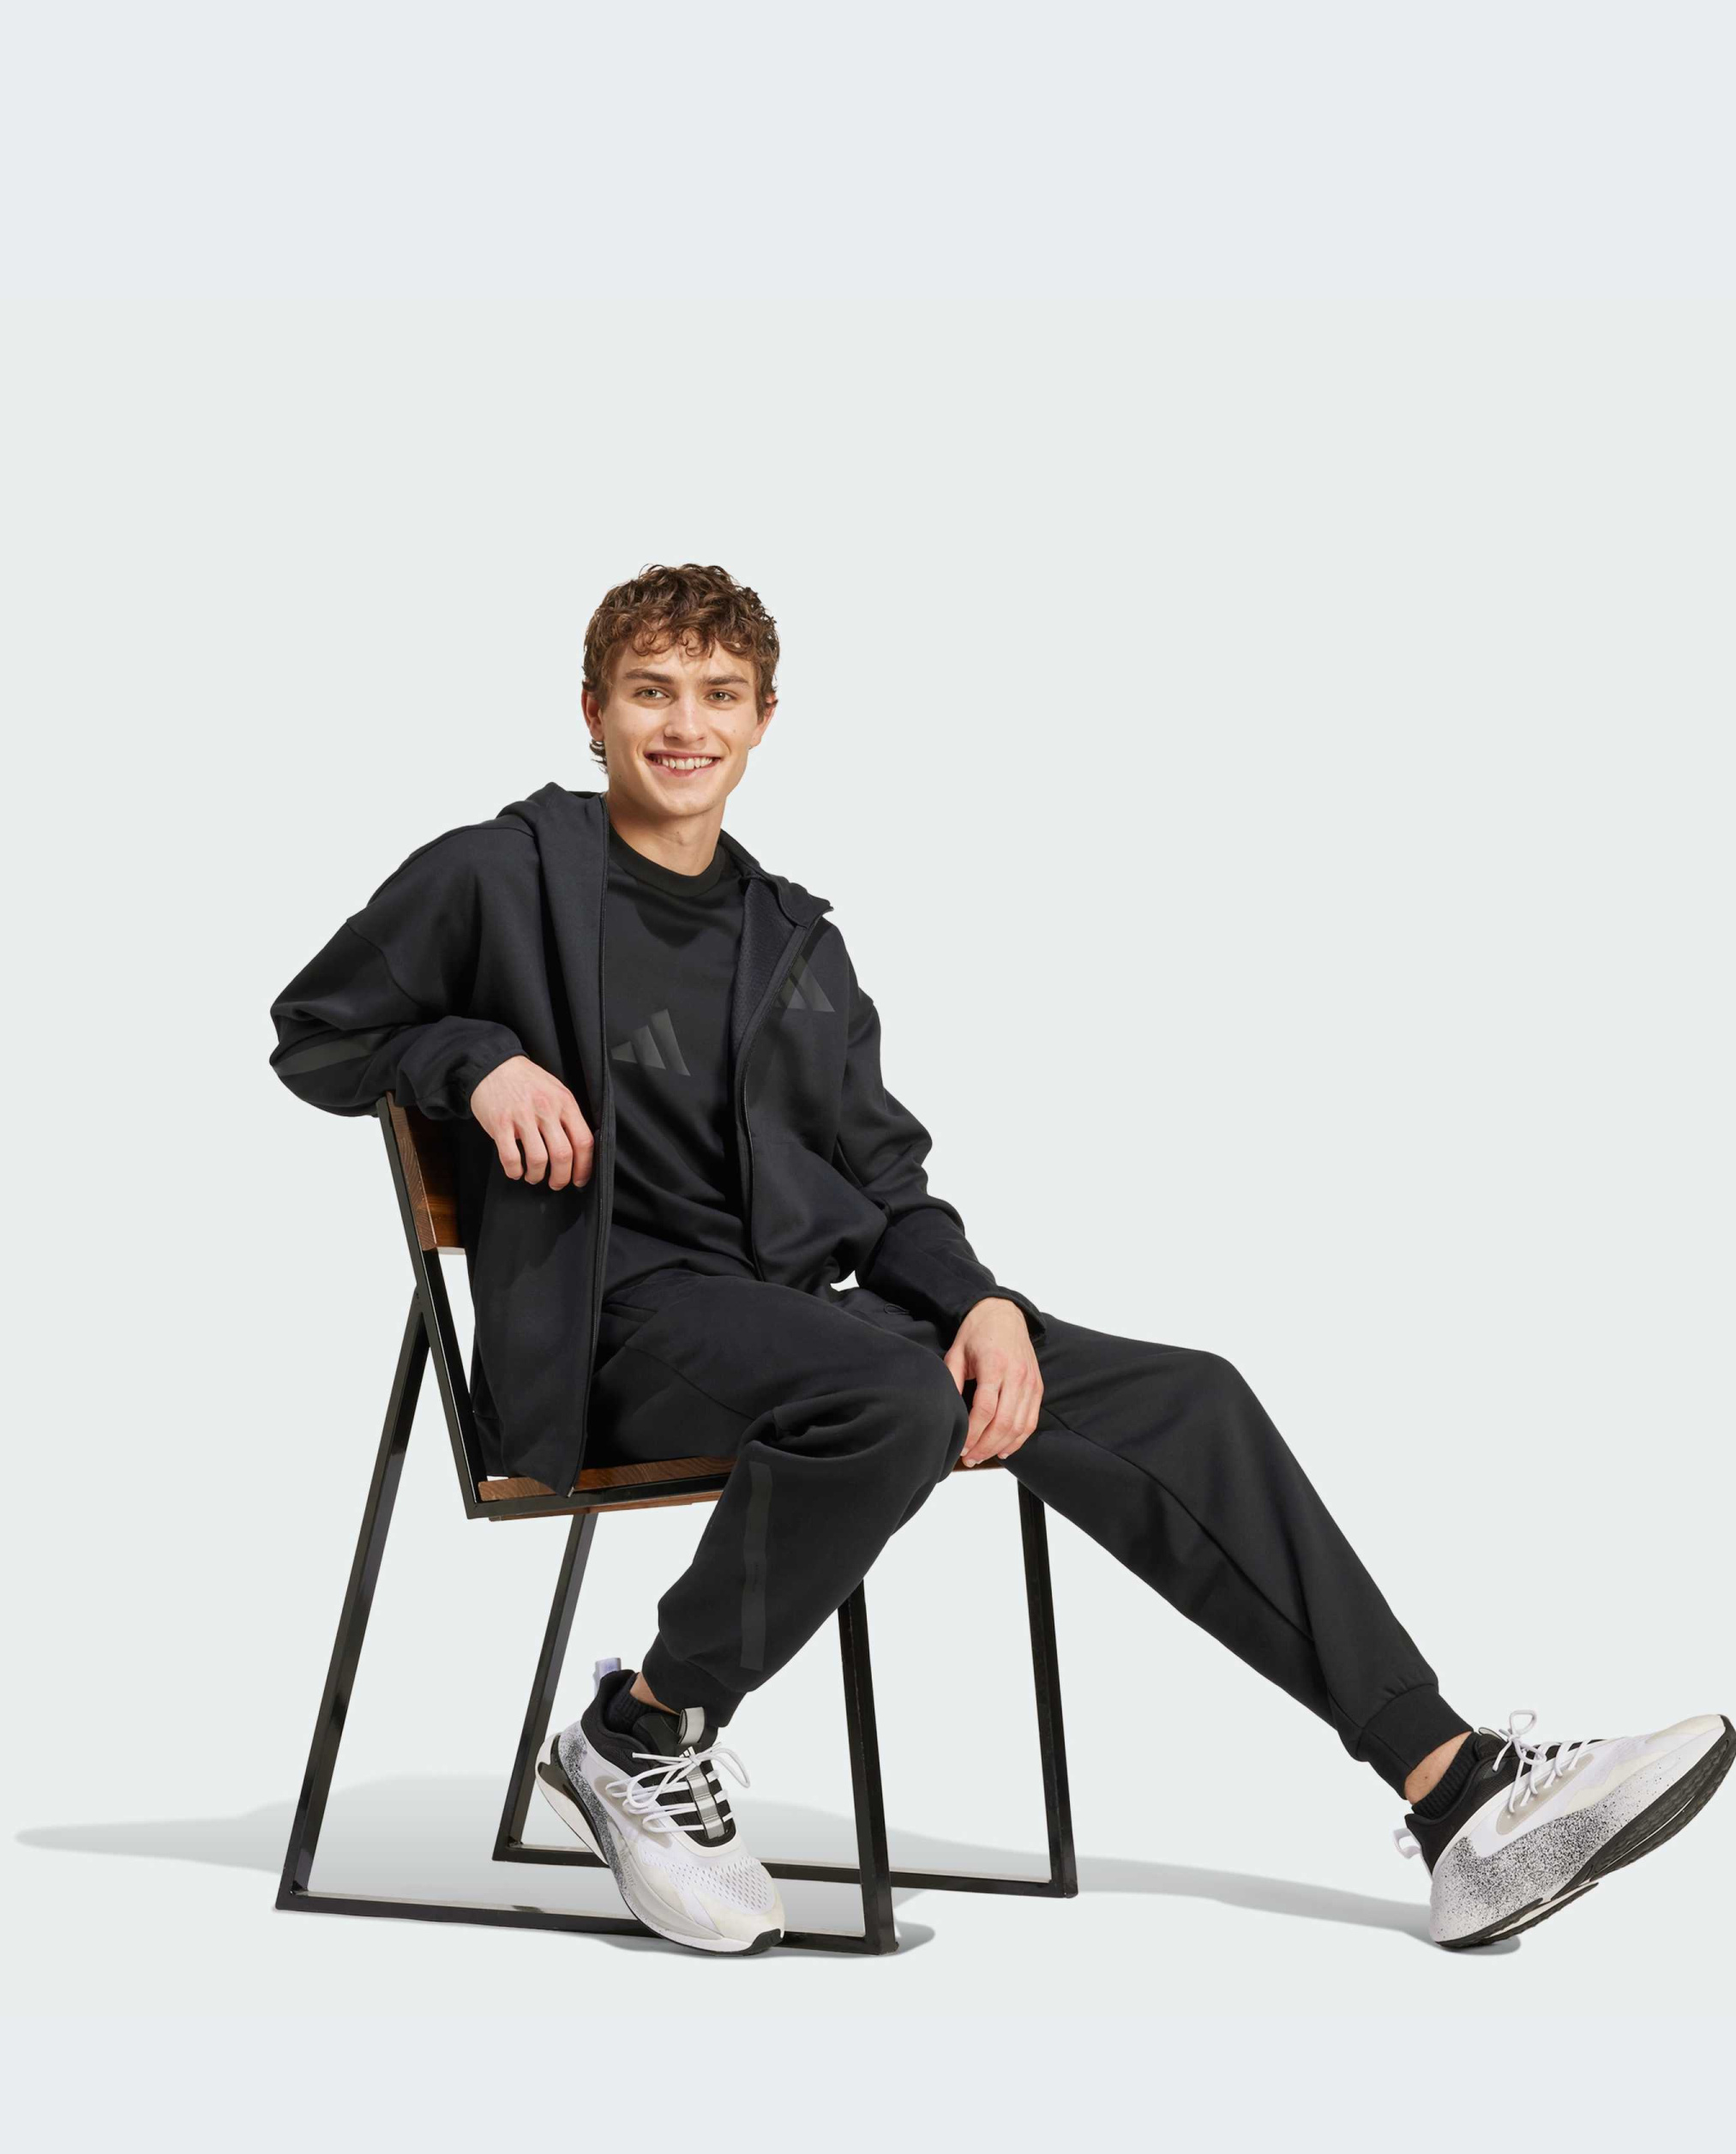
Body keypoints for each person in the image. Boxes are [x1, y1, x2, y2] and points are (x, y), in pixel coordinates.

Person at [269, 563, 1730, 1958]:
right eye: (651, 691)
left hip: (792, 1329)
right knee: (887, 1396)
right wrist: (475, 1061)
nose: (684, 725)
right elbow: (315, 1033)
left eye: (719, 694)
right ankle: (641, 1734)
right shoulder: (500, 874)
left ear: (766, 718)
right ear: (593, 711)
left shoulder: (794, 941)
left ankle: (1453, 1790)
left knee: (1184, 1394)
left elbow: (881, 1180)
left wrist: (979, 1302)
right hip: (610, 1335)